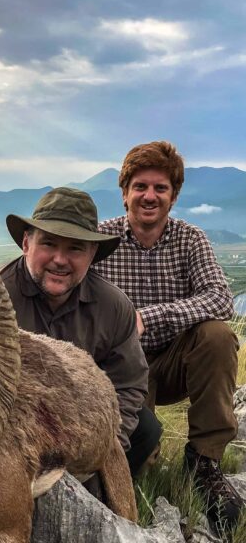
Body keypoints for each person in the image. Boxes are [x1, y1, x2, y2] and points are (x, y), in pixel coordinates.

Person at [94, 141, 244, 530]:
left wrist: (150, 316)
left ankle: (204, 460)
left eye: (160, 188)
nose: (150, 196)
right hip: (120, 366)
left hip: (175, 361)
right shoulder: (101, 240)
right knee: (139, 457)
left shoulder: (189, 238)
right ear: (125, 192)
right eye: (141, 186)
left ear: (173, 196)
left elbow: (220, 299)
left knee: (218, 336)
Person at [2, 186, 160, 480]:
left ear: (92, 254)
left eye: (75, 248)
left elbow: (128, 386)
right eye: (49, 243)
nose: (60, 260)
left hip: (81, 420)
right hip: (11, 419)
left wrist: (103, 453)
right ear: (26, 243)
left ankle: (106, 496)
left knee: (146, 429)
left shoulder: (113, 307)